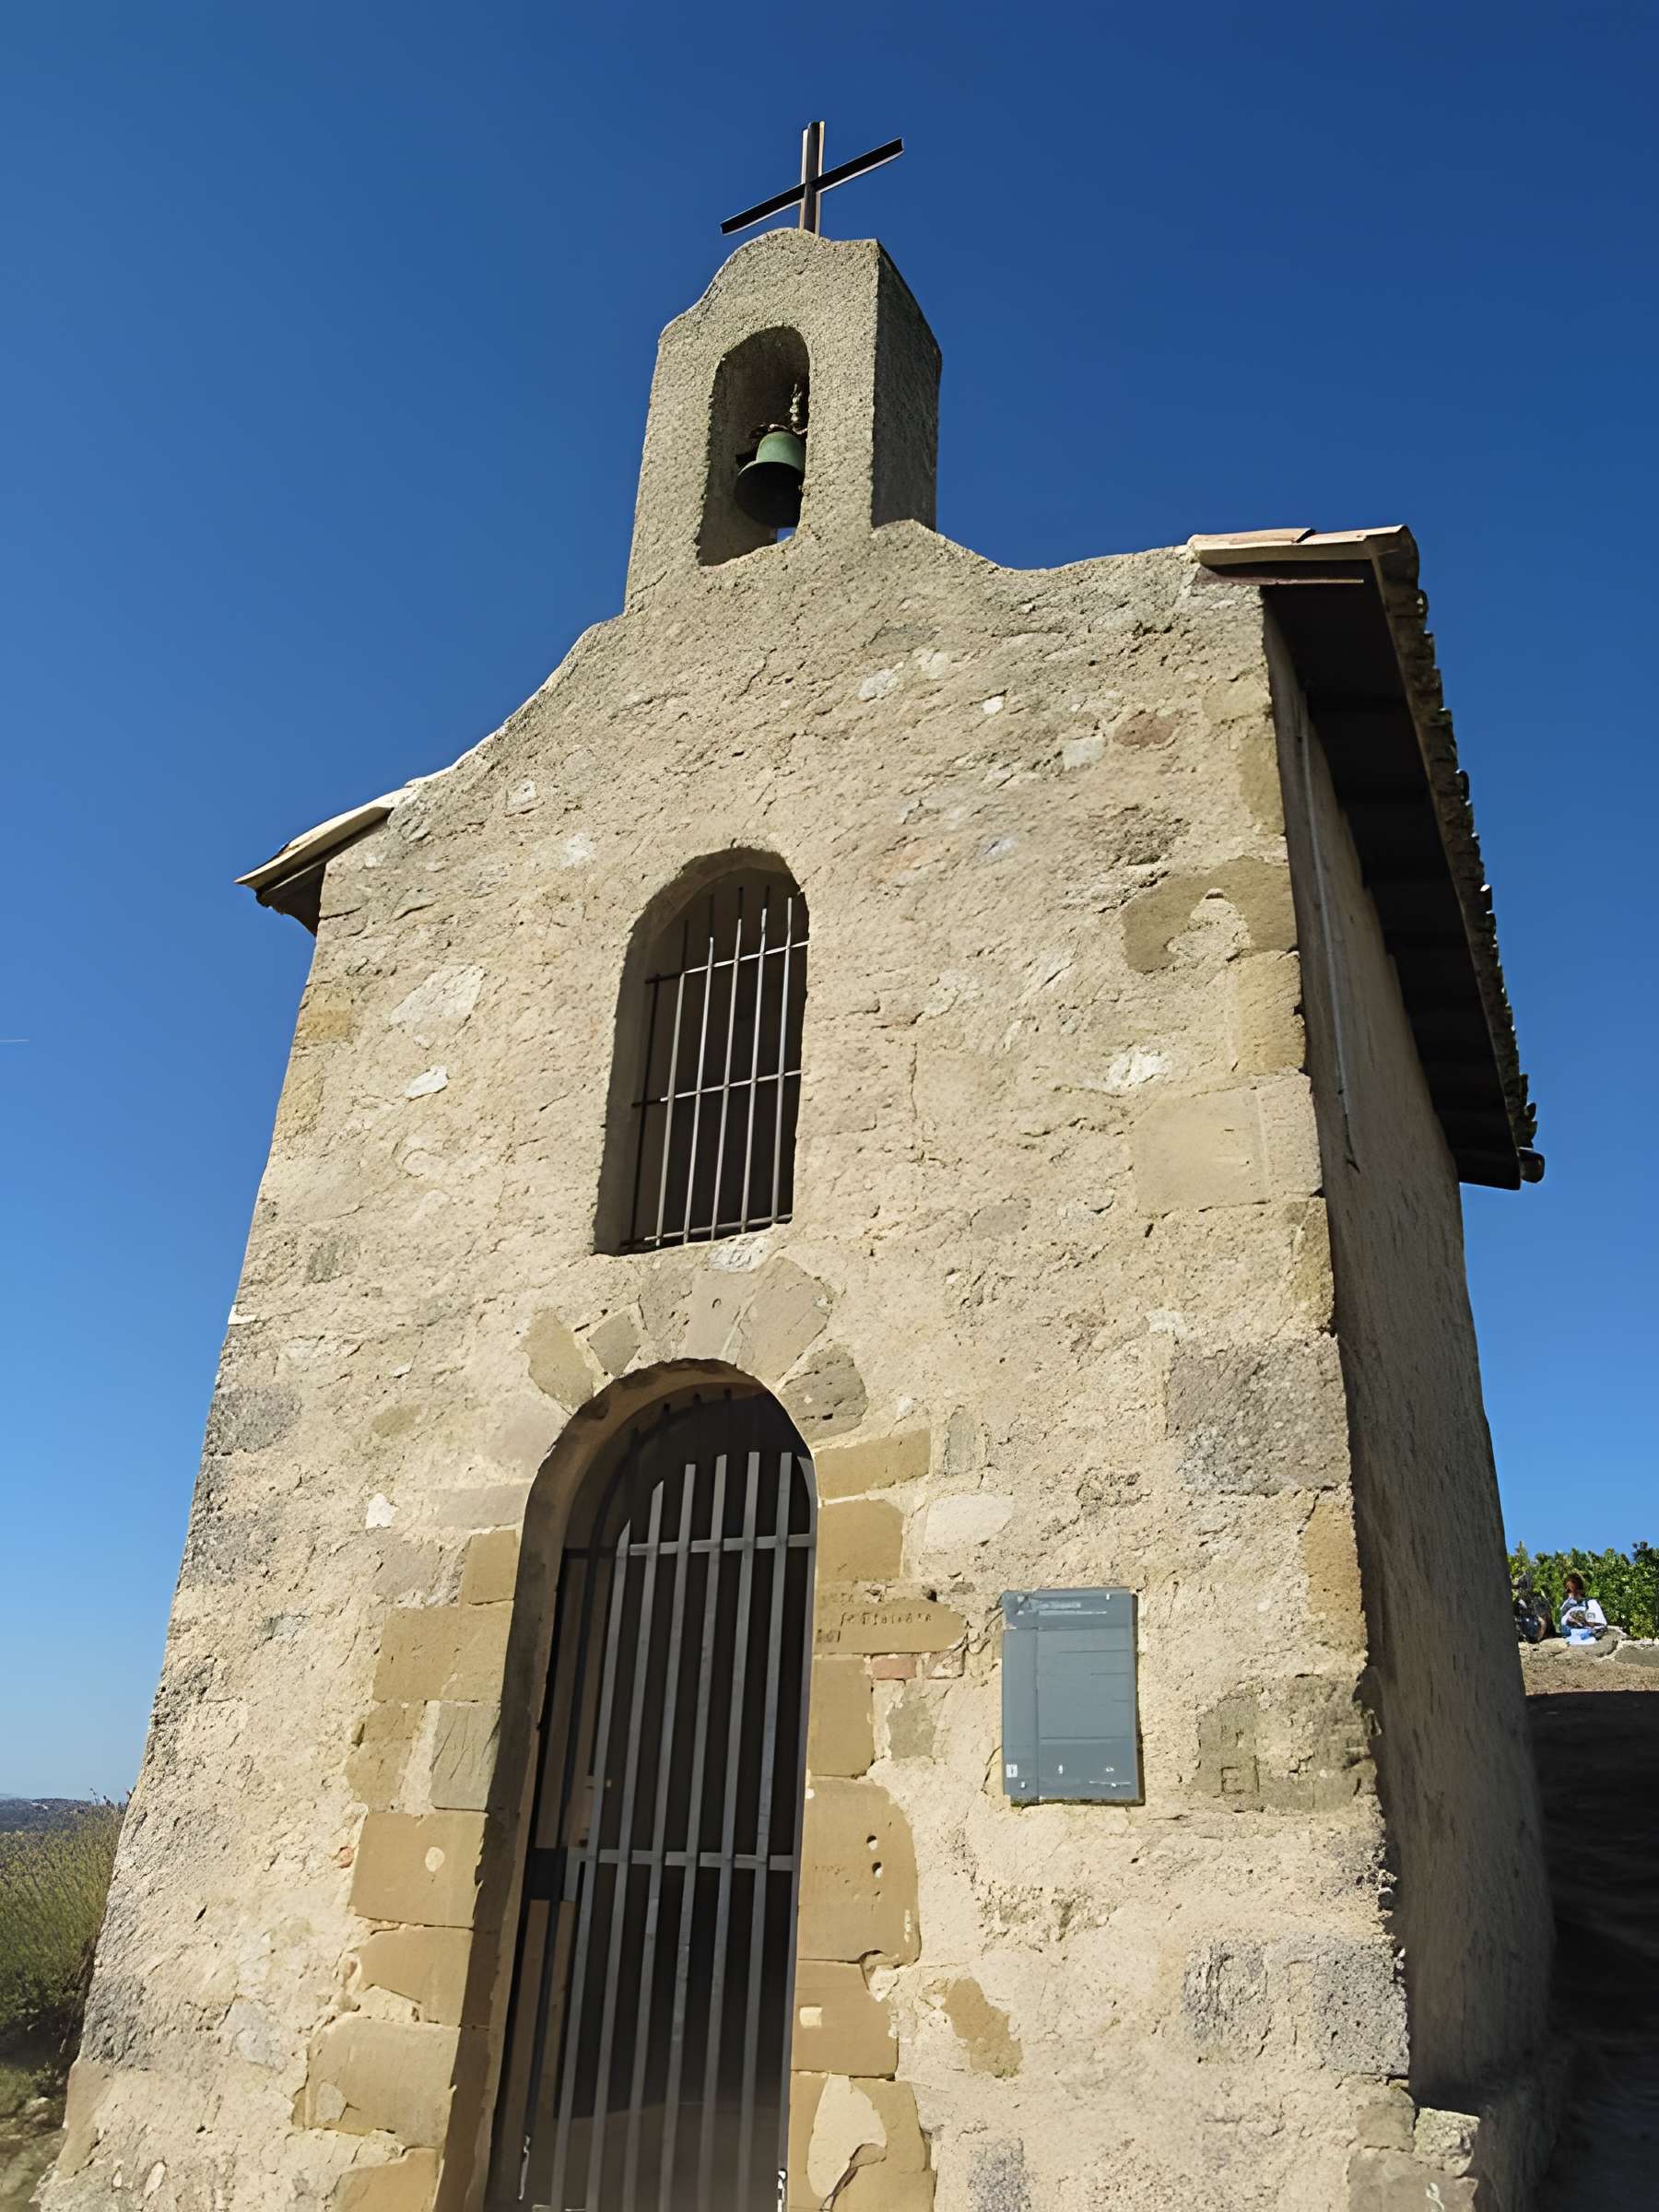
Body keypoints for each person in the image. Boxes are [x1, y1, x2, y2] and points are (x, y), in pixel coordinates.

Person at [1558, 1572, 1606, 1642]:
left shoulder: (1590, 1603)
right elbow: (1563, 1627)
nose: (1569, 1593)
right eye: (1568, 1590)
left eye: (1571, 1589)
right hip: (1570, 1640)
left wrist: (1577, 1621)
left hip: (1588, 1640)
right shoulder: (1566, 1606)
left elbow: (1593, 1624)